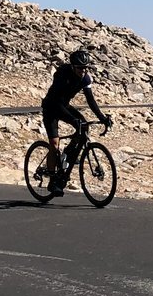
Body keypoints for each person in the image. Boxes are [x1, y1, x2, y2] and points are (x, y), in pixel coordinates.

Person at [40, 48, 111, 194]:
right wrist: (73, 119)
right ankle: (53, 180)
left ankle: (69, 152)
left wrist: (102, 118)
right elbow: (57, 102)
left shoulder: (85, 78)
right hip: (52, 107)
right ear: (73, 66)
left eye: (86, 68)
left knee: (83, 125)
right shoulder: (62, 75)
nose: (83, 71)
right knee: (54, 143)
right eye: (80, 68)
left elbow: (91, 101)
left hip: (65, 105)